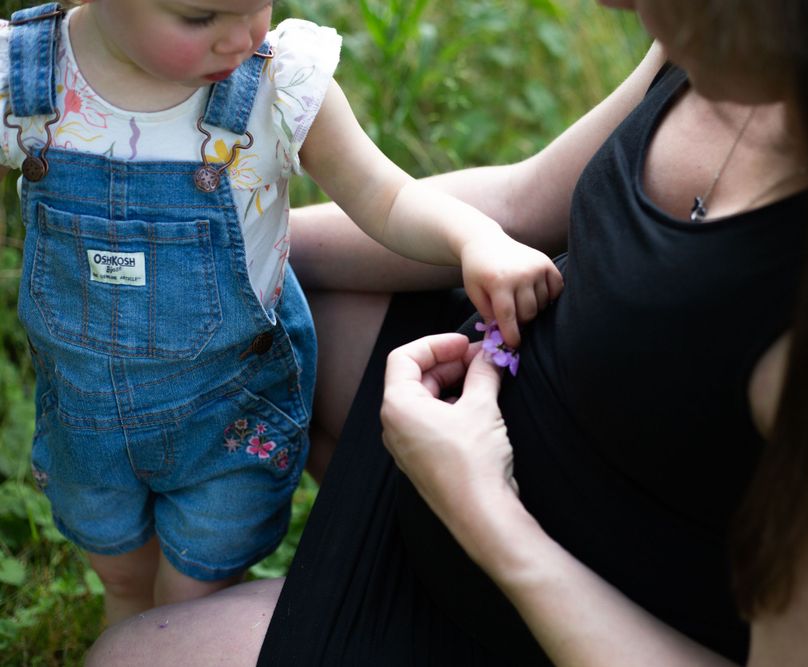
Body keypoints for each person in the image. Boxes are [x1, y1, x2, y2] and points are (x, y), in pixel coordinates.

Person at [86, 0, 808, 665]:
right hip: (490, 446)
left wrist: (483, 511)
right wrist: (222, 252)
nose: (612, 6)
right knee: (283, 312)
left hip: (553, 617)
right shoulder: (748, 43)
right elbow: (526, 200)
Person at [2, 0, 562, 625]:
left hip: (227, 415)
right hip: (85, 420)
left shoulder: (274, 88)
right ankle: (128, 616)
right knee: (120, 570)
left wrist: (474, 238)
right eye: (200, 18)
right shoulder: (25, 78)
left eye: (257, 5)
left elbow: (387, 197)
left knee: (194, 593)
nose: (240, 37)